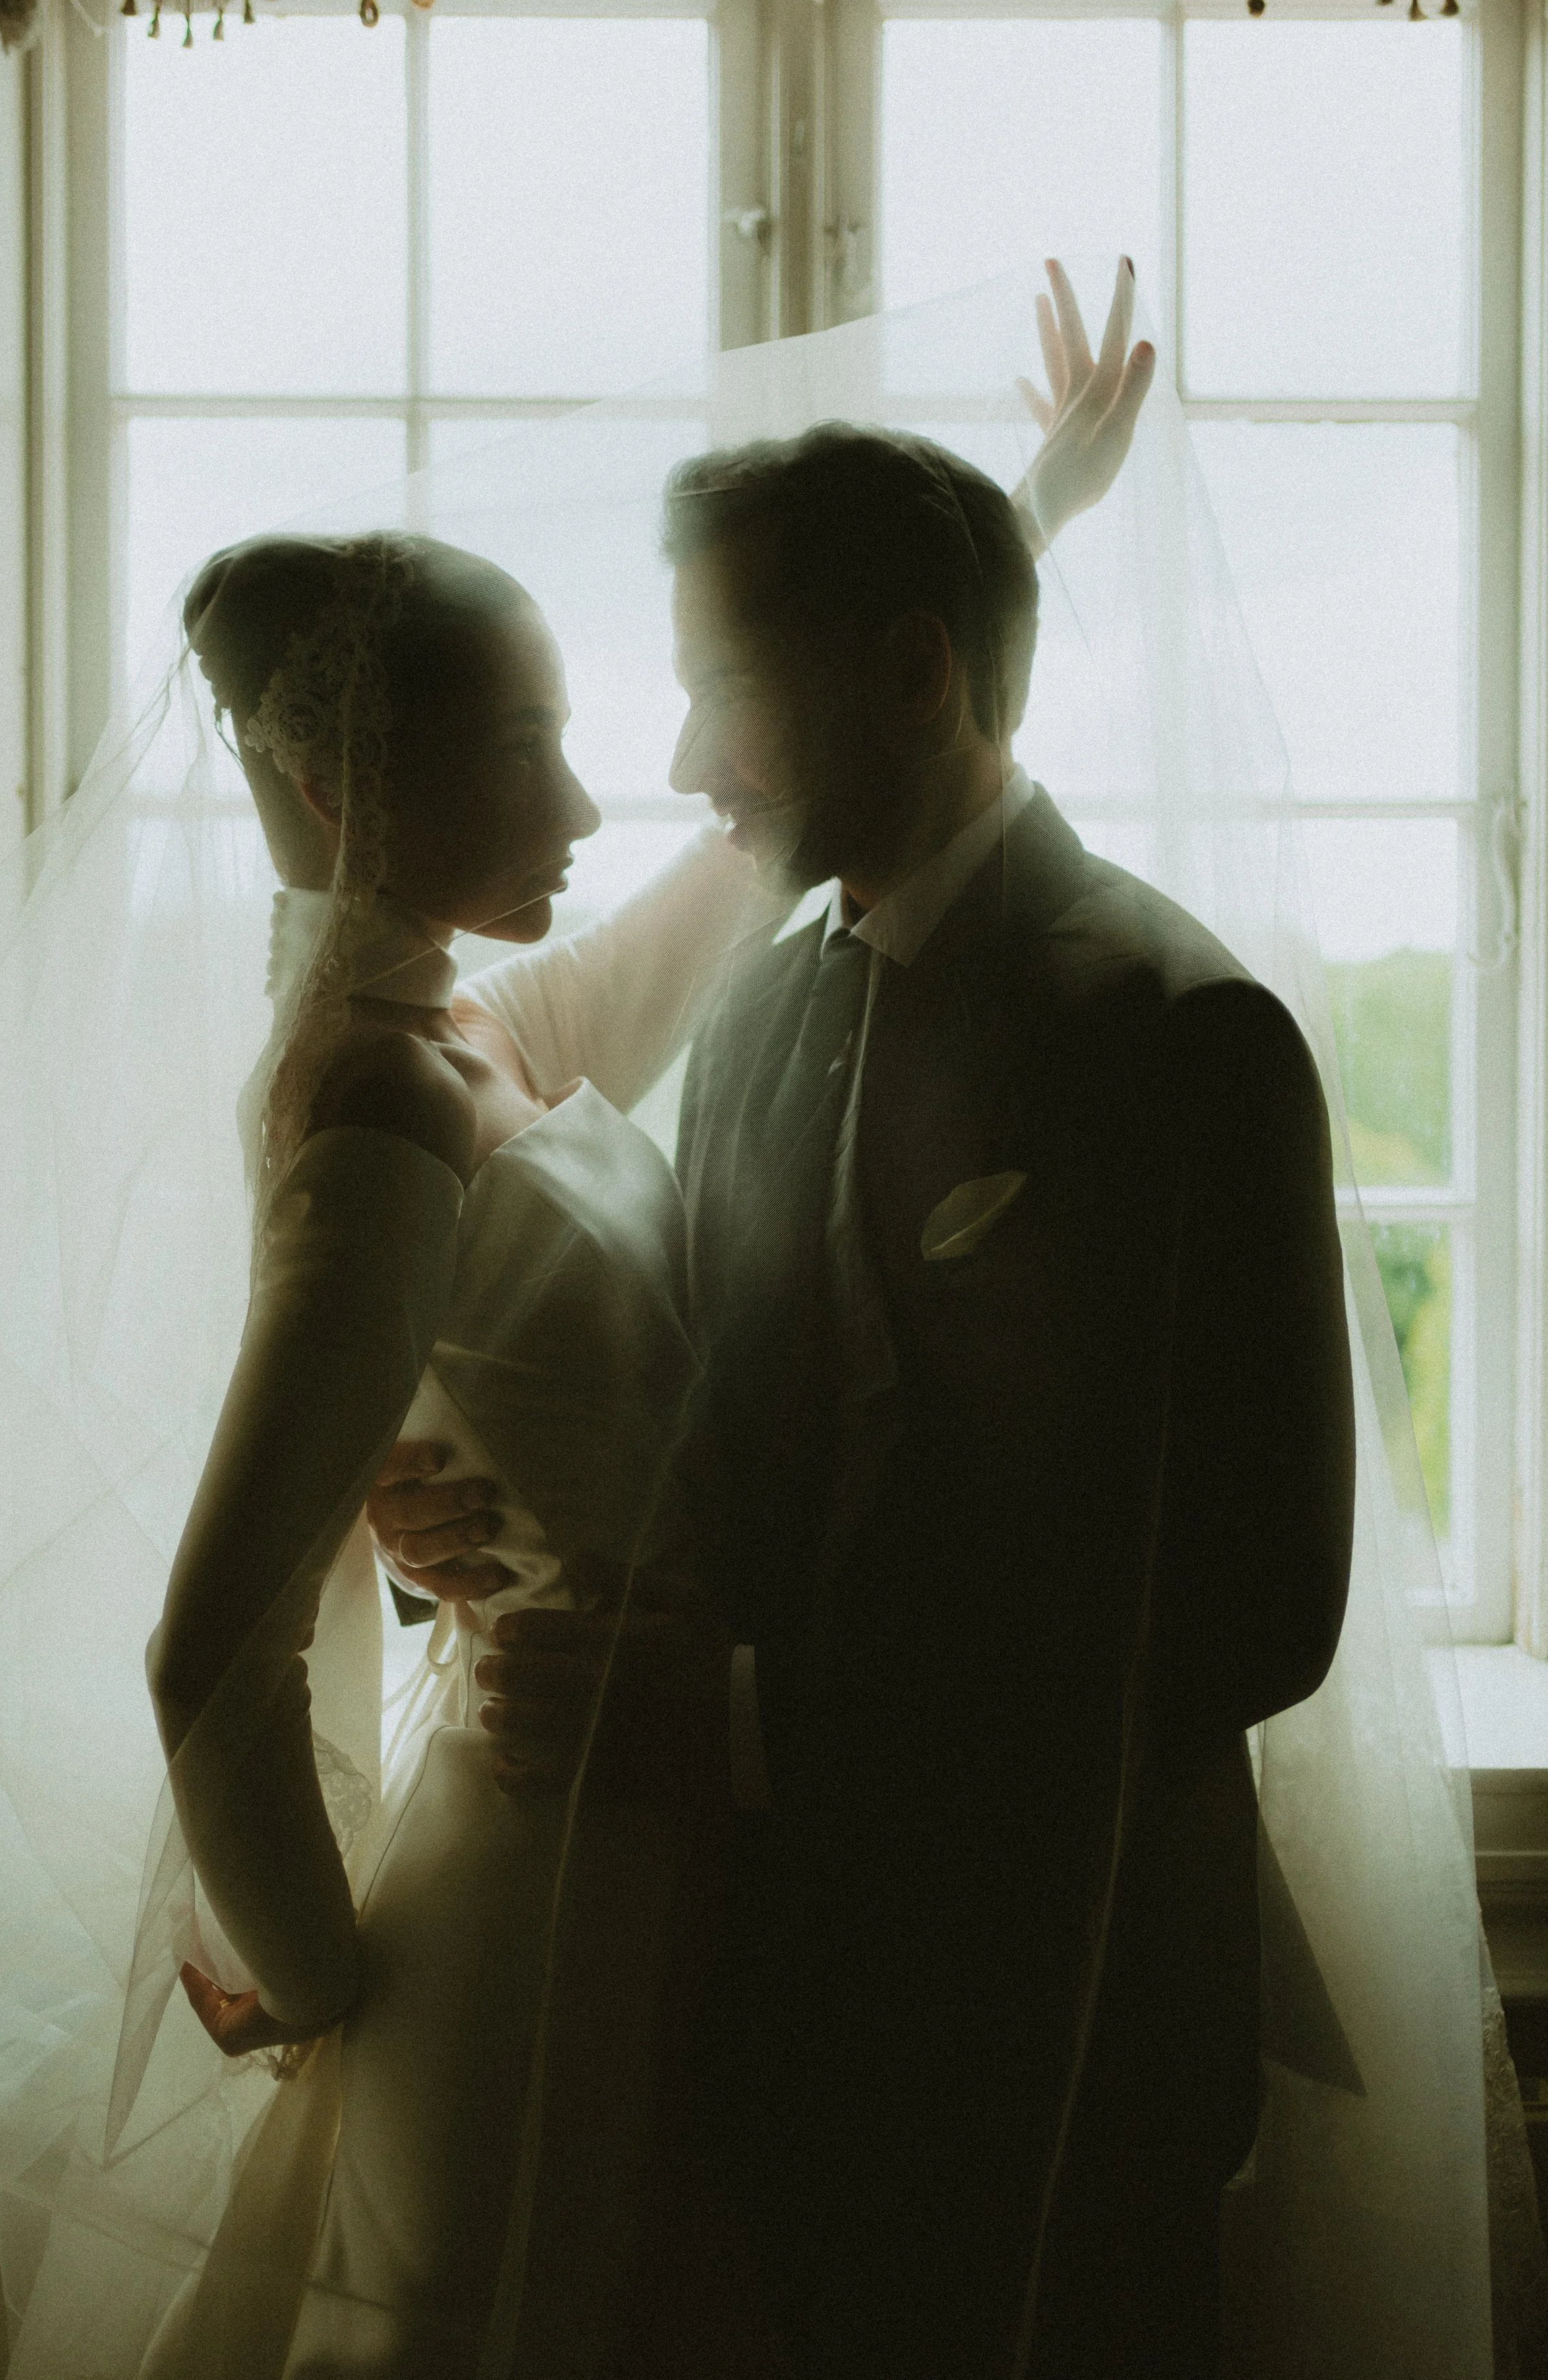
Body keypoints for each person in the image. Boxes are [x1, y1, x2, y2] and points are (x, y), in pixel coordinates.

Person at [143, 273, 1156, 2380]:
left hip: (681, 1833)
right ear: (344, 780)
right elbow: (205, 1651)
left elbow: (766, 833)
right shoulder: (372, 1106)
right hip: (542, 1885)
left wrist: (1016, 534)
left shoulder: (480, 1032)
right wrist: (326, 1985)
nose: (596, 796)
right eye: (525, 745)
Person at [373, 294, 1357, 2376]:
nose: (677, 765)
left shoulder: (1177, 1038)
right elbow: (703, 1425)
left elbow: (1254, 1611)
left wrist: (736, 1714)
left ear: (913, 671)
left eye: (720, 688)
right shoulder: (761, 1007)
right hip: (750, 2024)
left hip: (1071, 2039)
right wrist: (460, 1518)